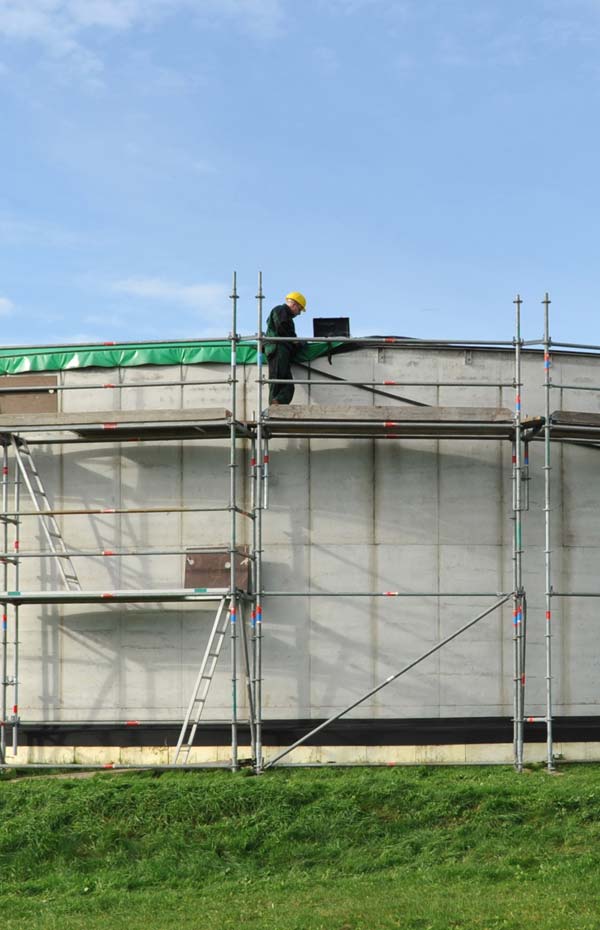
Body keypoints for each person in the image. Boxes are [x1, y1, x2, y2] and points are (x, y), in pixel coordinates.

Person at [264, 291, 307, 405]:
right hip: (277, 349)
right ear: (294, 304)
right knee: (277, 380)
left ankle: (277, 403)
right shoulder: (280, 310)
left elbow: (289, 334)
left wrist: (297, 343)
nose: (299, 313)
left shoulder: (288, 318)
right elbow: (281, 327)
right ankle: (273, 408)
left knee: (288, 386)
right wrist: (294, 341)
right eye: (299, 309)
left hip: (283, 351)